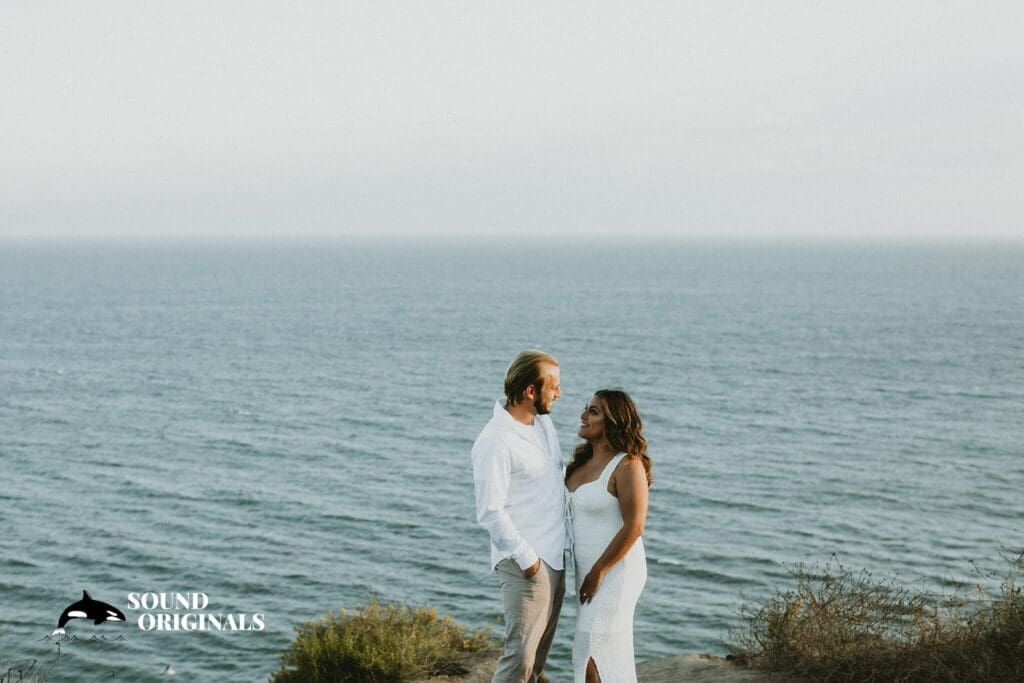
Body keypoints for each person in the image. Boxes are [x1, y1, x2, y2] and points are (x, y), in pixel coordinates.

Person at [471, 349, 571, 683]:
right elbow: (489, 511)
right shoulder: (495, 441)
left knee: (538, 658)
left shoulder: (543, 424)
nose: (559, 393)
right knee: (521, 657)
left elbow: (555, 478)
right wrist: (528, 560)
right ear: (530, 391)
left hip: (556, 555)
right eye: (553, 386)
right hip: (525, 562)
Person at [565, 389, 652, 683]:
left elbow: (634, 525)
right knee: (591, 650)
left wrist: (599, 571)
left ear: (613, 422)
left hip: (615, 571)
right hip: (587, 571)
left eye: (594, 411)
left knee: (591, 647)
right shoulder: (578, 465)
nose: (584, 415)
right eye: (586, 408)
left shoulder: (628, 465)